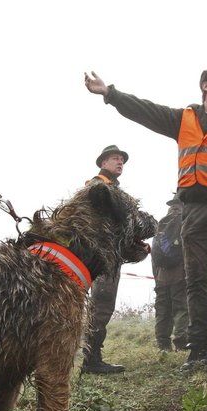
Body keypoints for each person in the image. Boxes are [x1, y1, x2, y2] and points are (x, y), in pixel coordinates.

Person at [84, 65, 207, 368]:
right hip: (193, 208)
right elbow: (146, 111)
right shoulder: (184, 119)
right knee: (194, 277)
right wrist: (109, 93)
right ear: (206, 85)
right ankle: (197, 343)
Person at [82, 144, 130, 374]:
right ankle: (91, 361)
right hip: (103, 256)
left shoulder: (113, 188)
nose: (119, 162)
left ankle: (92, 357)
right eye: (114, 159)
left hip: (110, 254)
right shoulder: (98, 187)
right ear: (103, 163)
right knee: (101, 305)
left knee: (102, 306)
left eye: (121, 159)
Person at [151, 198, 188, 351]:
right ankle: (181, 342)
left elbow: (154, 256)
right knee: (181, 308)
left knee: (162, 311)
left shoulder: (160, 226)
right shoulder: (185, 222)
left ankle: (163, 345)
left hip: (161, 276)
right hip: (180, 274)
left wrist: (156, 278)